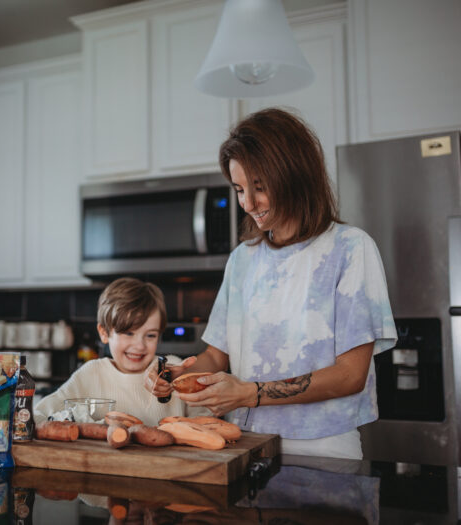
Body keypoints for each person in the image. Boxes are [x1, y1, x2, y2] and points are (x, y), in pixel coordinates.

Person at [147, 108, 397, 459]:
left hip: (324, 447)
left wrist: (249, 393)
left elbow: (350, 375)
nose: (248, 203)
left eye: (259, 187)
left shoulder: (350, 249)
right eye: (239, 189)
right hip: (245, 443)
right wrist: (174, 377)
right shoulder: (242, 260)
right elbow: (216, 356)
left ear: (294, 176)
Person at [34, 277, 205, 427]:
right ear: (104, 333)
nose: (139, 345)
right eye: (128, 333)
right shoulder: (90, 374)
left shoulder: (172, 369)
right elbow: (38, 415)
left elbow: (206, 420)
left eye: (150, 335)